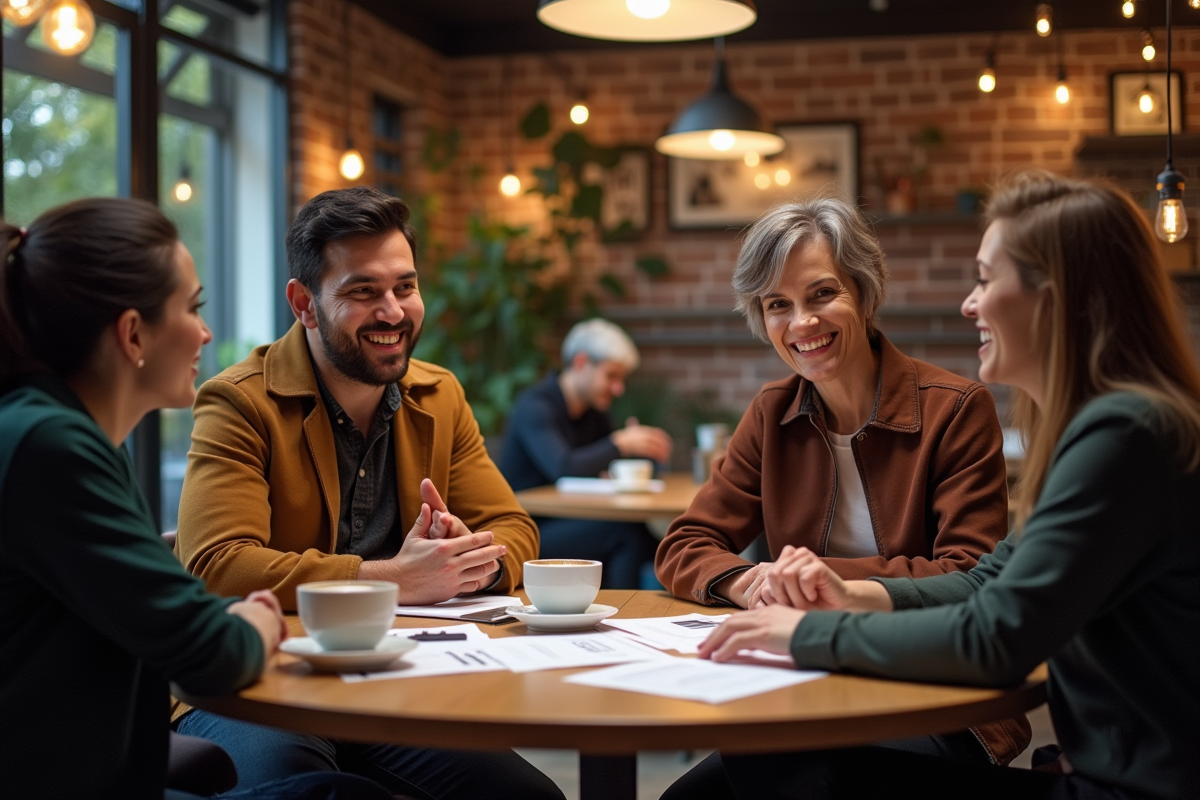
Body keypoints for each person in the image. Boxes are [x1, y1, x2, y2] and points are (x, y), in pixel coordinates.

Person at [686, 171, 1200, 800]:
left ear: (1058, 297)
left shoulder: (1124, 437)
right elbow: (989, 581)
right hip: (1109, 768)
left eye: (986, 278)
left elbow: (997, 636)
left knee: (784, 767)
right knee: (750, 769)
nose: (969, 303)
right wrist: (846, 593)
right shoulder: (1108, 427)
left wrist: (805, 632)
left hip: (1131, 787)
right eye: (776, 305)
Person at [173, 187, 561, 800]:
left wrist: (468, 561)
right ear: (304, 304)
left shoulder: (439, 394)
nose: (393, 312)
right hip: (260, 679)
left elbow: (514, 528)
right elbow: (217, 566)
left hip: (394, 674)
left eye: (404, 287)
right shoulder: (239, 401)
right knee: (301, 789)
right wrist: (396, 580)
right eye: (362, 292)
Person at [0, 198, 393, 800]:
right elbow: (210, 651)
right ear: (133, 333)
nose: (206, 332)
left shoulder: (54, 434)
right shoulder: (52, 449)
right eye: (193, 307)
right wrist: (258, 621)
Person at [655, 195, 1028, 766]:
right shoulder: (771, 412)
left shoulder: (956, 408)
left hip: (933, 689)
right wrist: (748, 583)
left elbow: (969, 574)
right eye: (778, 304)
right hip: (803, 674)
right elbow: (684, 544)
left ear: (864, 292)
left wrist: (815, 581)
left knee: (774, 767)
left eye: (823, 294)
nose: (802, 323)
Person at [500, 319, 672, 588]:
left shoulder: (594, 413)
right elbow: (563, 466)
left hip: (573, 519)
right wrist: (622, 444)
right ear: (581, 363)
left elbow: (608, 463)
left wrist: (640, 451)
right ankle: (624, 615)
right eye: (611, 376)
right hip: (527, 530)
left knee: (652, 539)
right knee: (625, 533)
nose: (618, 388)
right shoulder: (535, 407)